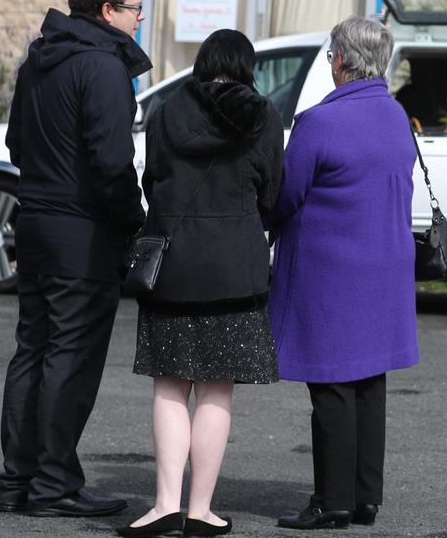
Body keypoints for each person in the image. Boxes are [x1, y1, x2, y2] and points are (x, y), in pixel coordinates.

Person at [0, 0, 151, 518]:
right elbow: (112, 161)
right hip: (81, 235)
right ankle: (53, 484)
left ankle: (21, 479)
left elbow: (16, 144)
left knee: (33, 352)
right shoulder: (103, 67)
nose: (140, 19)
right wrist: (133, 219)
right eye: (135, 8)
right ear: (108, 11)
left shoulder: (36, 63)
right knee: (70, 358)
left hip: (35, 224)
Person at [116, 29, 283, 538]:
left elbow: (152, 181)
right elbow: (272, 193)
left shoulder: (168, 112)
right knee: (215, 390)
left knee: (170, 385)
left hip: (173, 266)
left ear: (202, 61)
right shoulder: (264, 115)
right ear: (246, 66)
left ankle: (165, 502)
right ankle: (200, 510)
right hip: (235, 269)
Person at [267, 16, 419, 530]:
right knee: (369, 382)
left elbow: (285, 197)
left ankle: (331, 500)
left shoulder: (319, 123)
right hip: (386, 265)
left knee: (330, 384)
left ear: (338, 60)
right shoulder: (396, 115)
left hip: (333, 270)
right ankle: (363, 498)